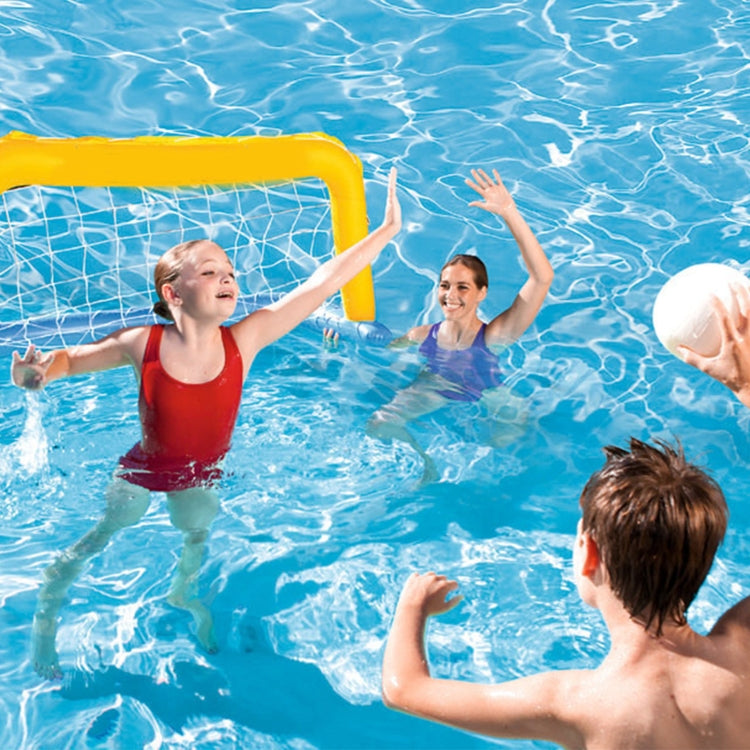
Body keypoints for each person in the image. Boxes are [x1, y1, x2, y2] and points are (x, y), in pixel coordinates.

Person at [13, 168, 401, 680]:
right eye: (211, 272)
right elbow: (72, 359)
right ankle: (49, 604)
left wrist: (387, 231)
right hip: (142, 471)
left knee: (198, 535)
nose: (228, 279)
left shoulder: (246, 339)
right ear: (173, 295)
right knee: (105, 532)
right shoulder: (142, 344)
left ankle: (184, 594)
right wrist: (38, 374)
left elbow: (321, 283)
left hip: (201, 473)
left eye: (230, 272)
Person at [382, 432, 750, 748]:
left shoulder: (574, 704)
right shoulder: (741, 648)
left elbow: (404, 689)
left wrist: (412, 605)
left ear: (588, 554)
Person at [366, 168, 553, 483]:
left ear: (482, 293)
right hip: (436, 386)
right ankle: (428, 466)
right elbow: (380, 350)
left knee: (504, 448)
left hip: (488, 393)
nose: (450, 296)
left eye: (462, 287)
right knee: (378, 424)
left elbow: (542, 278)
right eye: (444, 285)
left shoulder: (494, 336)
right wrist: (337, 340)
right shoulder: (421, 334)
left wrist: (509, 212)